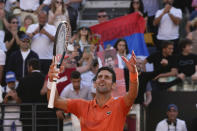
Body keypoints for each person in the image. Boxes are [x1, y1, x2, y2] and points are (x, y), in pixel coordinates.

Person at [47, 51, 138, 131]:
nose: (102, 79)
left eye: (107, 77)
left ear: (114, 85)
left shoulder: (120, 104)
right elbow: (55, 101)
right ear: (94, 84)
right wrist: (51, 80)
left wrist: (133, 74)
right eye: (99, 77)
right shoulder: (82, 106)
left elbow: (132, 95)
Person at [16, 58, 51, 131]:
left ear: (31, 67)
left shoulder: (23, 80)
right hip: (43, 114)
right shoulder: (46, 79)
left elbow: (18, 95)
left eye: (27, 67)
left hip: (27, 115)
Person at [26, 10, 56, 75]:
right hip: (34, 58)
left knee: (46, 79)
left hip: (48, 58)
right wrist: (34, 32)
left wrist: (46, 33)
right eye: (40, 18)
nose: (42, 20)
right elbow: (26, 39)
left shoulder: (52, 28)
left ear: (47, 17)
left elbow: (56, 40)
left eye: (44, 18)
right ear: (38, 17)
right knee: (33, 78)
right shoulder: (32, 27)